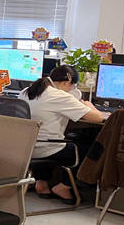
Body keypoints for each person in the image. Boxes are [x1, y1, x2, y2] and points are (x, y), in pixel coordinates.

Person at [21, 65, 105, 202]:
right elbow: (98, 118)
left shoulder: (27, 91)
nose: (73, 90)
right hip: (46, 148)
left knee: (48, 135)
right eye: (73, 86)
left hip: (26, 147)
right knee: (94, 147)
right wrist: (90, 107)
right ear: (68, 81)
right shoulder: (60, 96)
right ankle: (64, 186)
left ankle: (41, 183)